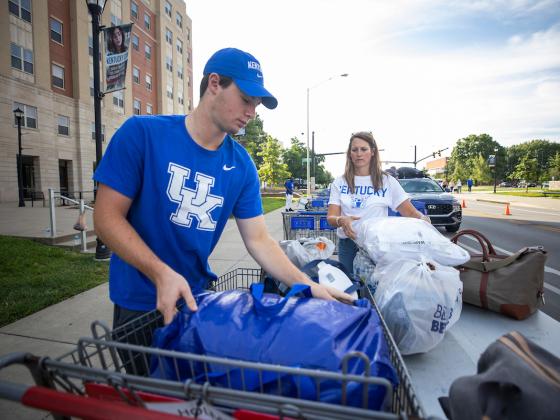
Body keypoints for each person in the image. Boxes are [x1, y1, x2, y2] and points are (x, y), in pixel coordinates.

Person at [93, 48, 353, 373]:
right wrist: (161, 273)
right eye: (245, 99)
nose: (252, 113)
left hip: (197, 301)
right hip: (139, 304)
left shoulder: (242, 165)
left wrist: (307, 284)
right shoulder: (142, 134)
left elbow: (259, 240)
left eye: (256, 105)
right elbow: (105, 218)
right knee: (155, 402)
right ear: (214, 84)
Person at [327, 132, 431, 275]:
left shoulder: (387, 181)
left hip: (377, 246)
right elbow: (331, 217)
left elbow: (410, 212)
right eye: (354, 149)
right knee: (349, 291)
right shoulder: (340, 182)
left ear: (373, 152)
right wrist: (341, 220)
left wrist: (424, 222)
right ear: (349, 154)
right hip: (348, 245)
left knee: (375, 290)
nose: (359, 154)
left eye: (364, 149)